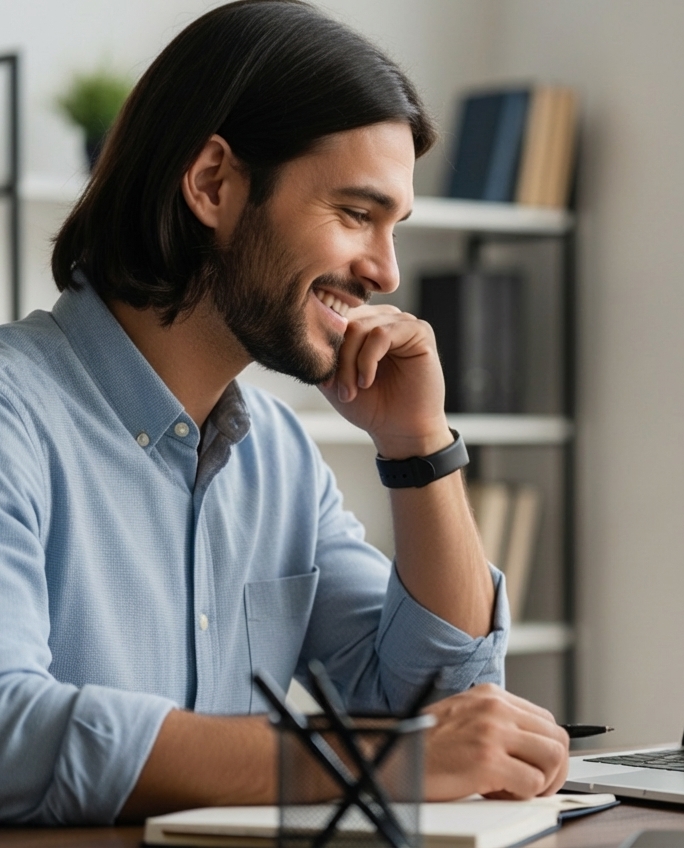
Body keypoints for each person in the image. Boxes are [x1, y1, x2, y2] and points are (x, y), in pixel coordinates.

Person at [0, 0, 569, 825]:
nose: (386, 272)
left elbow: (443, 710)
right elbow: (10, 733)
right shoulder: (16, 415)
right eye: (355, 213)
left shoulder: (280, 460)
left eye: (395, 226)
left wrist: (419, 449)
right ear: (214, 184)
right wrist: (384, 761)